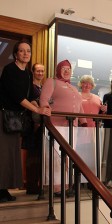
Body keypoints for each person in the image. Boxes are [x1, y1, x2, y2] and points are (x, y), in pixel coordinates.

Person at [0, 41, 51, 202]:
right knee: (3, 154)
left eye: (28, 51)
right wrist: (37, 110)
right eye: (21, 51)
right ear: (16, 54)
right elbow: (17, 96)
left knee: (13, 155)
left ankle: (5, 189)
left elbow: (29, 97)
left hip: (17, 120)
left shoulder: (28, 73)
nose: (25, 53)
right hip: (5, 117)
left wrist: (41, 107)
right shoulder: (9, 70)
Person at [39, 59, 87, 195]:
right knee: (55, 157)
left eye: (69, 69)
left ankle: (66, 185)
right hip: (55, 125)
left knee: (68, 157)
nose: (66, 71)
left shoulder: (73, 88)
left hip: (72, 127)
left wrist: (83, 122)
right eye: (63, 68)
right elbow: (44, 99)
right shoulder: (51, 81)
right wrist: (45, 109)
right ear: (58, 70)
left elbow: (80, 107)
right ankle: (56, 187)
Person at [77, 75, 106, 183]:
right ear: (80, 84)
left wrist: (103, 110)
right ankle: (79, 180)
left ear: (92, 85)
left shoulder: (97, 98)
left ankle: (91, 180)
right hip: (80, 129)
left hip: (94, 130)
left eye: (89, 83)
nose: (86, 85)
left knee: (93, 155)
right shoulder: (76, 95)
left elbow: (101, 113)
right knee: (80, 154)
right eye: (84, 82)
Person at [24, 63, 46, 194]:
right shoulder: (29, 87)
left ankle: (38, 184)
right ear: (33, 72)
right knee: (33, 156)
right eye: (38, 71)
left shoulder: (43, 87)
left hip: (42, 126)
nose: (40, 73)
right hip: (33, 126)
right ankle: (31, 187)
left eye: (42, 71)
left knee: (39, 156)